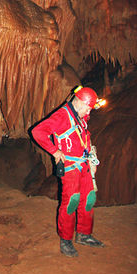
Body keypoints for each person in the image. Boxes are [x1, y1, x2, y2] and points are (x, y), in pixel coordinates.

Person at [31, 86, 104, 257]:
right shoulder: (62, 116)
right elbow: (38, 132)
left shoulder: (81, 115)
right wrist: (55, 152)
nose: (89, 111)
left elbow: (84, 135)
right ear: (79, 102)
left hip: (84, 165)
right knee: (72, 201)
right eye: (88, 107)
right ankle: (66, 240)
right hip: (71, 167)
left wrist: (91, 155)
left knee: (89, 199)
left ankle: (84, 234)